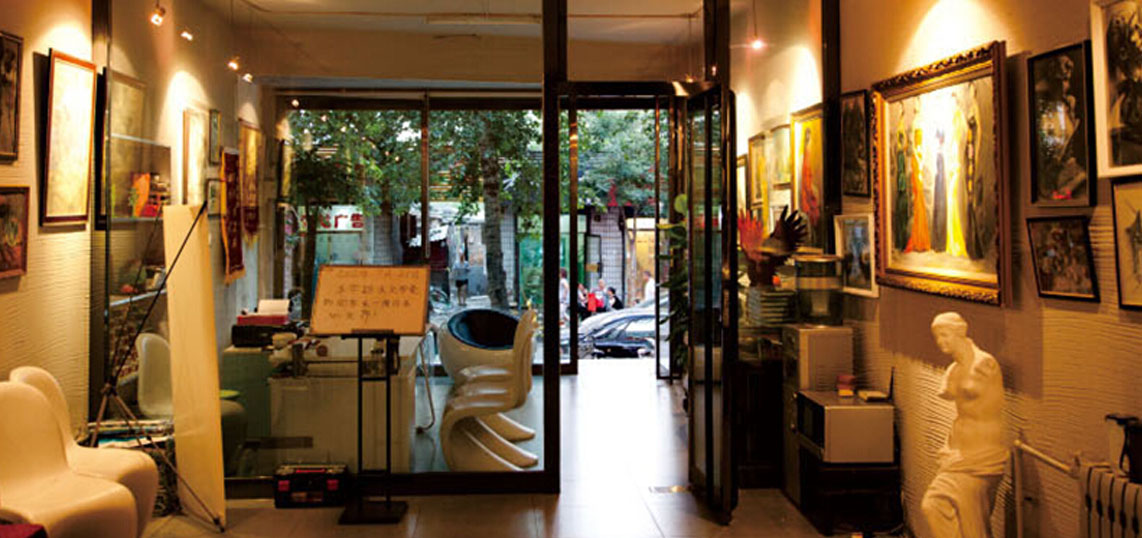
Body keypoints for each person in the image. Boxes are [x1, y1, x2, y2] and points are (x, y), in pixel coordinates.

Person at [921, 312, 1006, 538]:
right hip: (958, 454)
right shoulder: (954, 371)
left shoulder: (984, 364)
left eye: (945, 335)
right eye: (937, 337)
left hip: (982, 454)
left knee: (971, 523)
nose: (941, 341)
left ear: (960, 332)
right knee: (934, 505)